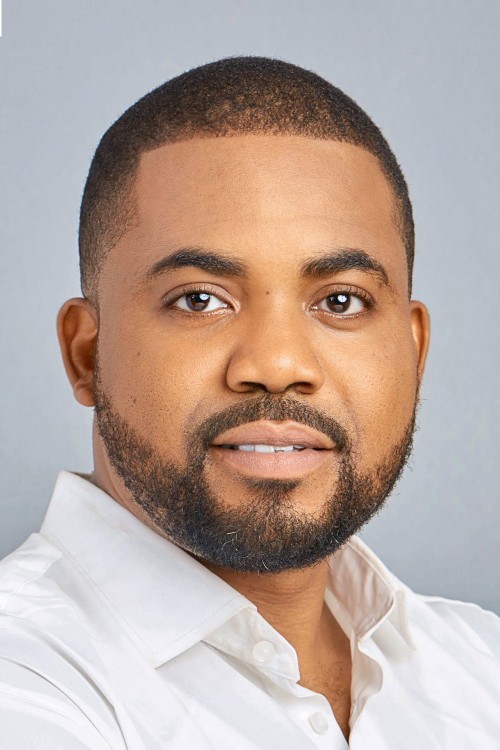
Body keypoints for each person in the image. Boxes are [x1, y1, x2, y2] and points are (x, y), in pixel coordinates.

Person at [0, 56, 498, 749]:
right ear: (86, 353)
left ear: (413, 354)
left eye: (341, 301)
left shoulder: (482, 665)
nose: (277, 366)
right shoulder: (22, 681)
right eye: (199, 300)